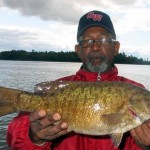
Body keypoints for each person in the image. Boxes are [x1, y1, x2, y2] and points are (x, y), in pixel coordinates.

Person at [6, 10, 150, 150]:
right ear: (78, 50)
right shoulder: (61, 87)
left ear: (116, 47)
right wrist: (34, 137)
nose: (95, 47)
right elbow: (14, 138)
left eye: (103, 40)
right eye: (87, 41)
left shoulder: (136, 88)